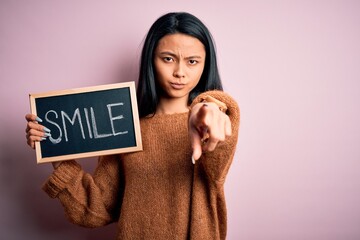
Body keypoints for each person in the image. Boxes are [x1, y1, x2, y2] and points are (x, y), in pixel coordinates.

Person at [25, 12, 240, 239]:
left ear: (206, 65)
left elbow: (219, 159)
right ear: (151, 59)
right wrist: (56, 153)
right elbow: (96, 210)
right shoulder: (125, 128)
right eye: (167, 58)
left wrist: (210, 106)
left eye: (192, 61)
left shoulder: (210, 123)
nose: (179, 72)